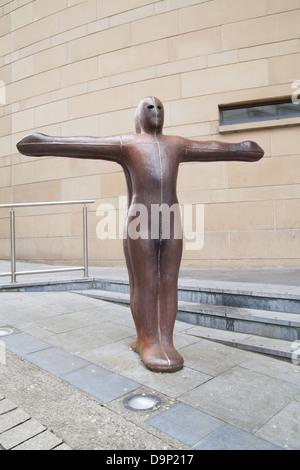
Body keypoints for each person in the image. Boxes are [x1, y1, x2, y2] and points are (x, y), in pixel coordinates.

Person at [17, 96, 264, 372]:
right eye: (150, 107)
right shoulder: (128, 143)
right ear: (139, 116)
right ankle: (147, 340)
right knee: (145, 281)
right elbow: (85, 143)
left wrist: (242, 149)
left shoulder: (176, 144)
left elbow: (212, 148)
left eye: (160, 107)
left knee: (169, 281)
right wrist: (44, 142)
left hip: (171, 221)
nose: (156, 111)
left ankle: (166, 341)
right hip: (141, 222)